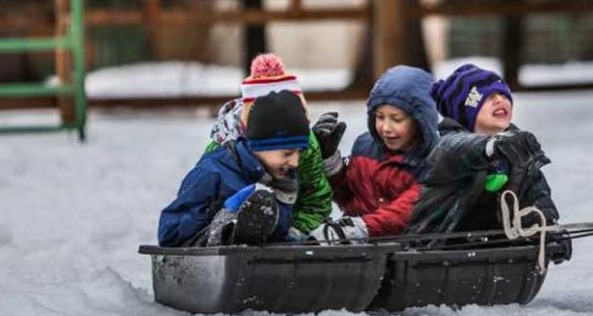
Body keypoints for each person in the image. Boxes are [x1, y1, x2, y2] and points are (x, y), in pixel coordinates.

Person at [407, 63, 571, 263]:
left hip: (497, 251)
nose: (499, 100)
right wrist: (491, 146)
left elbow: (536, 195)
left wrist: (548, 229)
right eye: (488, 97)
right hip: (434, 254)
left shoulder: (516, 148)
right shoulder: (449, 147)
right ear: (465, 112)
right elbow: (462, 147)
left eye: (503, 95)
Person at [158, 91, 311, 247]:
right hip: (209, 261)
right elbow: (169, 235)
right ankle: (227, 235)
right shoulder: (214, 172)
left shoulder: (284, 178)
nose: (295, 162)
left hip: (259, 265)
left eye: (300, 152)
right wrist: (221, 220)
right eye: (287, 153)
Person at [207, 53, 332, 239]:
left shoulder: (305, 146)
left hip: (289, 227)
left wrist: (296, 230)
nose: (294, 160)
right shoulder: (222, 148)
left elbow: (315, 199)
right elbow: (202, 203)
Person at [311, 65, 439, 242]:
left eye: (396, 119)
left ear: (420, 120)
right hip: (357, 250)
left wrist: (356, 229)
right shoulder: (365, 147)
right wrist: (329, 161)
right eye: (379, 117)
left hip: (405, 252)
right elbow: (347, 196)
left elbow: (404, 213)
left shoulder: (434, 160)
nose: (386, 128)